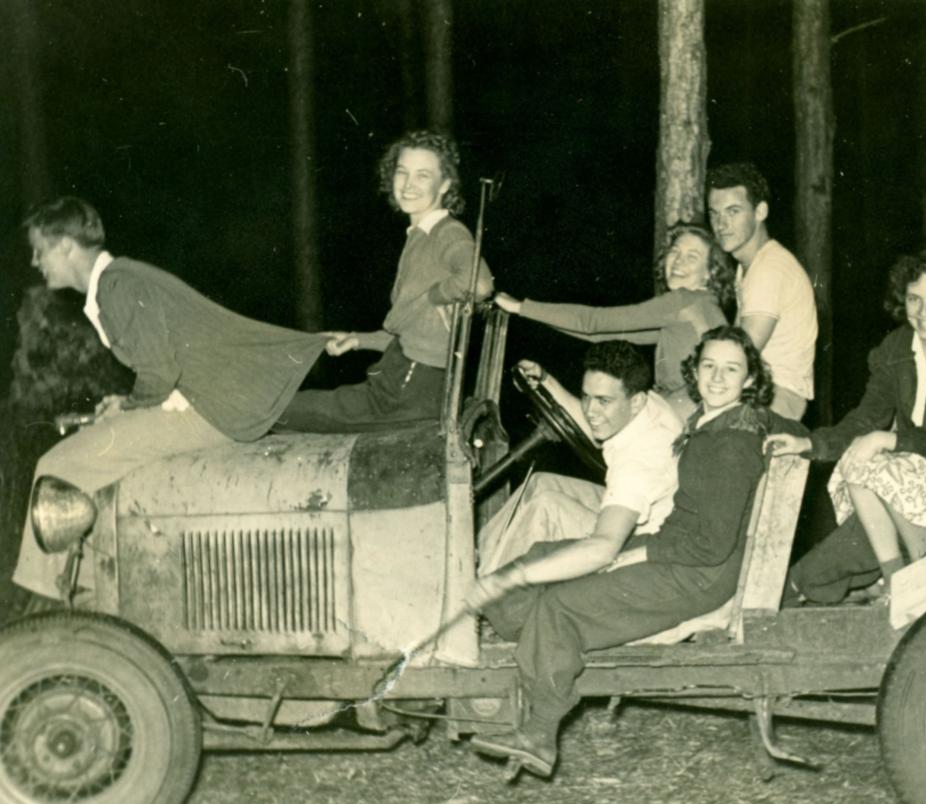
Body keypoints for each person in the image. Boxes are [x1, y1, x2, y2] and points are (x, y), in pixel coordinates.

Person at [467, 326, 800, 778]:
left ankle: (539, 733)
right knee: (545, 557)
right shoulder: (719, 418)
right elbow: (784, 426)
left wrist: (642, 553)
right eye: (708, 366)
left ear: (748, 379)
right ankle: (530, 649)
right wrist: (804, 437)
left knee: (562, 604)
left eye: (731, 370)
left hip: (696, 573)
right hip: (681, 552)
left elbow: (711, 544)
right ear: (695, 370)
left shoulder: (728, 444)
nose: (717, 379)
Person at [15, 196, 328, 600]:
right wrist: (125, 403)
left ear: (66, 246)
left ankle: (54, 596)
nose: (35, 262)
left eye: (39, 251)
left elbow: (159, 374)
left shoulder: (117, 286)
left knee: (55, 467)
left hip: (211, 410)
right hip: (209, 402)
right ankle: (92, 586)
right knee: (93, 452)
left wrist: (127, 406)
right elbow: (161, 366)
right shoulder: (119, 280)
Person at [768, 250, 926, 598]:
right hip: (915, 467)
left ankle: (925, 572)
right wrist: (810, 444)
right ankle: (895, 576)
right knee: (857, 461)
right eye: (914, 300)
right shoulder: (894, 349)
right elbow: (866, 417)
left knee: (879, 464)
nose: (924, 313)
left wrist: (888, 440)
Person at [276, 130, 493, 432]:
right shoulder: (420, 236)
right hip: (403, 379)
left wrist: (435, 295)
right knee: (289, 410)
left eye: (423, 176)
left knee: (280, 409)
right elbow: (411, 331)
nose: (408, 185)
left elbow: (480, 283)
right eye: (402, 172)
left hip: (407, 391)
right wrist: (357, 340)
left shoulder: (446, 232)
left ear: (445, 184)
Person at [476, 341, 681, 579]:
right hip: (641, 512)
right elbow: (595, 426)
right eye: (586, 397)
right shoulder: (642, 401)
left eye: (603, 401)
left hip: (638, 542)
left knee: (547, 507)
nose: (590, 410)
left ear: (636, 401)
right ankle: (482, 556)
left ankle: (484, 593)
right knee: (542, 483)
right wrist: (546, 380)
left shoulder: (640, 461)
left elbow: (605, 546)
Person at [492, 223, 731, 422]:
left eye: (692, 257)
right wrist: (527, 314)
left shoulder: (682, 301)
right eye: (675, 252)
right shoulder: (704, 306)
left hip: (684, 417)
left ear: (710, 272)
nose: (678, 262)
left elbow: (593, 322)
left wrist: (520, 306)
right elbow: (597, 335)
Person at [706, 162, 817, 420]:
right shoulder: (751, 266)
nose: (721, 224)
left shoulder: (769, 269)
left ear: (760, 211)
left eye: (733, 211)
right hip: (760, 393)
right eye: (714, 213)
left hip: (774, 400)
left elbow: (737, 355)